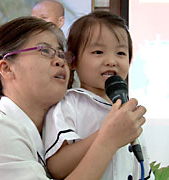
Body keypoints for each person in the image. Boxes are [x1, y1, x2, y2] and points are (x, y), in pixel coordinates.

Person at [0, 16, 145, 180]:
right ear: (7, 68)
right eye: (45, 51)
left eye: (61, 53)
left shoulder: (39, 134)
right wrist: (108, 140)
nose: (60, 61)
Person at [43, 11, 154, 180]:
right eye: (98, 52)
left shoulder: (129, 113)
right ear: (72, 60)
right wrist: (110, 133)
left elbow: (142, 168)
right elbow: (57, 167)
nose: (111, 60)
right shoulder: (69, 103)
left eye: (121, 53)